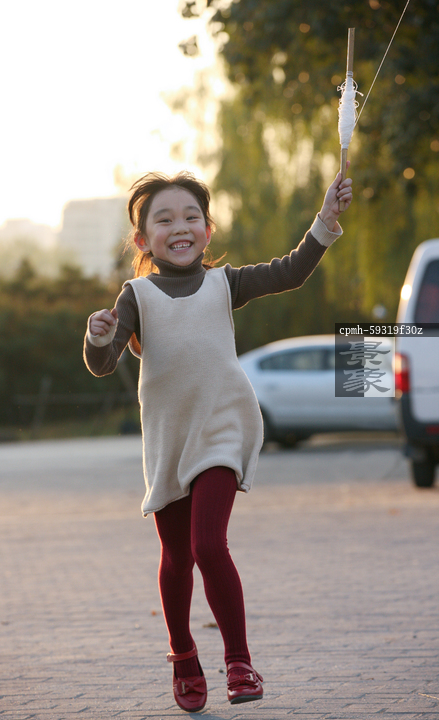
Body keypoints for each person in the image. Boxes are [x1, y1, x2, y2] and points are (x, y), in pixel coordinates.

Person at [83, 169, 353, 712]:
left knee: (208, 544)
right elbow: (103, 363)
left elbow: (290, 271)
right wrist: (97, 337)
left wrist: (326, 219)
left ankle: (239, 661)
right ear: (143, 239)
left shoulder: (224, 283)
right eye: (164, 220)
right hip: (170, 440)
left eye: (192, 217)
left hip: (223, 431)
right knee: (176, 557)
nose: (180, 227)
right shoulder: (136, 295)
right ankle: (183, 655)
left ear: (207, 230)